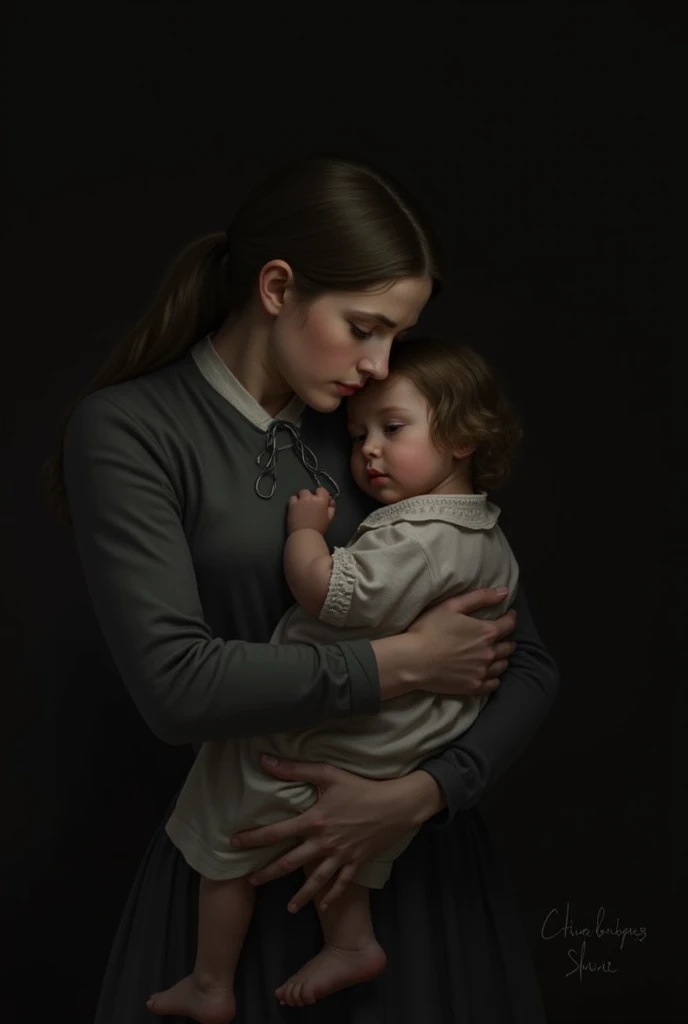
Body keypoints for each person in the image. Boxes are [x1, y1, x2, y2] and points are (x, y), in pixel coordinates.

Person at [48, 154, 558, 1023]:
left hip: (412, 870)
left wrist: (420, 795)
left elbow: (527, 663)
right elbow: (176, 688)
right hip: (241, 869)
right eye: (363, 327)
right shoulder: (131, 432)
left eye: (396, 336)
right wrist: (400, 663)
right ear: (277, 287)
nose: (379, 363)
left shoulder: (375, 428)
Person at [148, 335, 524, 1019]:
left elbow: (326, 591)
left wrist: (304, 532)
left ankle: (211, 982)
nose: (368, 450)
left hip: (359, 727)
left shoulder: (418, 538)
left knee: (224, 811)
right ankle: (348, 941)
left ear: (464, 437)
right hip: (406, 736)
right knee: (327, 839)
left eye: (392, 428)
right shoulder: (485, 536)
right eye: (359, 435)